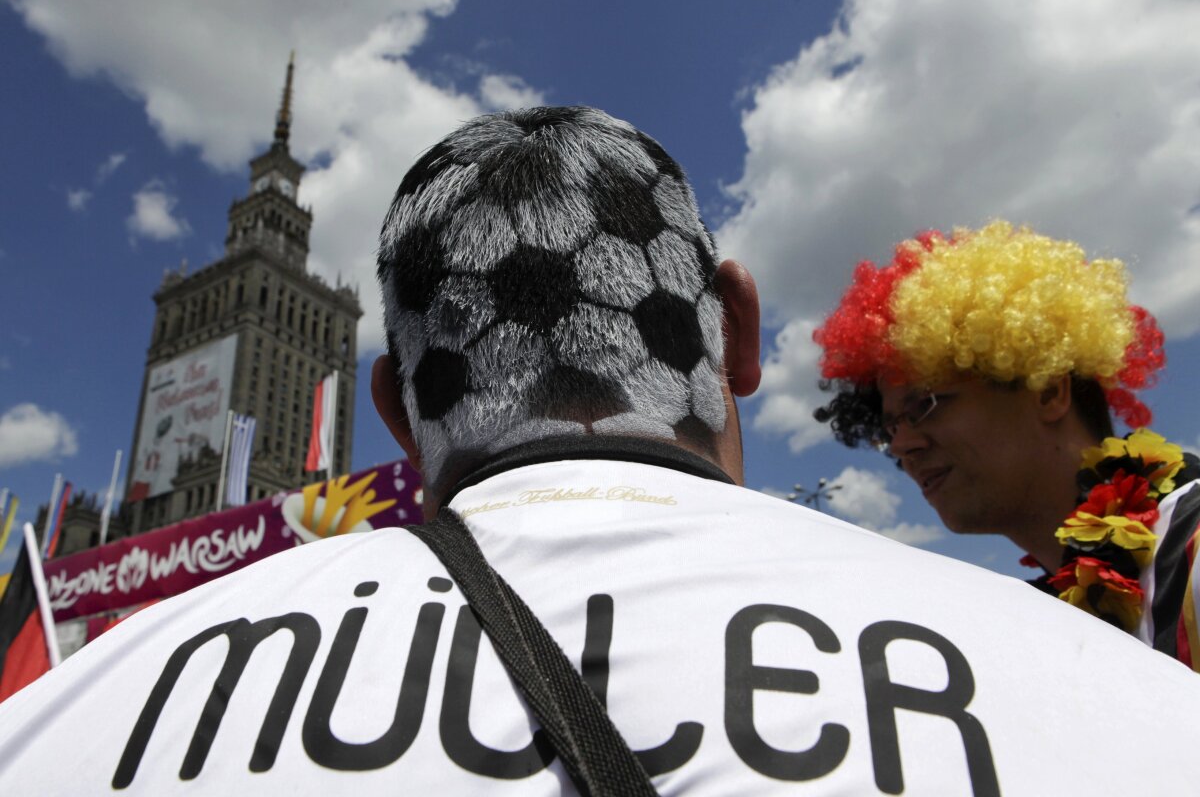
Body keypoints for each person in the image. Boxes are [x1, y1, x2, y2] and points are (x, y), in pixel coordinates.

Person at [2, 109, 1200, 795]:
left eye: (927, 400)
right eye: (894, 410)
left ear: (387, 402)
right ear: (736, 334)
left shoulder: (53, 724)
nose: (906, 437)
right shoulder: (1139, 717)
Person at [814, 221, 1200, 668]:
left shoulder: (1187, 547)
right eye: (889, 427)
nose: (901, 445)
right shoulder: (1037, 619)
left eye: (926, 404)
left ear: (1049, 391)